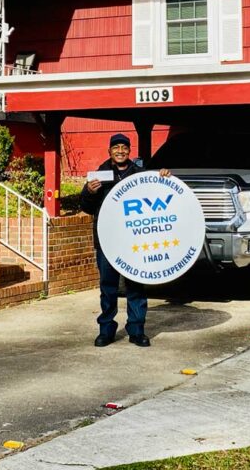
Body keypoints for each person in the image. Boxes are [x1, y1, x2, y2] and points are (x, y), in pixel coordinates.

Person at [80, 133, 169, 348]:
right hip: (107, 241)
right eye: (116, 147)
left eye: (124, 147)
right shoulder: (99, 176)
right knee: (108, 287)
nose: (120, 151)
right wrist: (90, 193)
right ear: (109, 151)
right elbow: (86, 207)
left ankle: (137, 330)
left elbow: (156, 196)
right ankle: (106, 330)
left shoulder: (140, 174)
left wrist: (163, 178)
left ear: (129, 151)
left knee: (136, 286)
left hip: (133, 242)